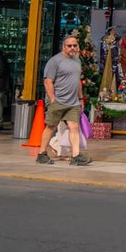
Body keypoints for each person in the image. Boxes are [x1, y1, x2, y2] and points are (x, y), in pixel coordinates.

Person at [37, 35, 91, 166]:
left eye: (75, 45)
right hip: (58, 101)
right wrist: (53, 99)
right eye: (69, 46)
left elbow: (77, 81)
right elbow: (48, 81)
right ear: (63, 46)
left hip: (73, 103)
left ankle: (76, 156)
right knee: (51, 127)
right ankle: (42, 154)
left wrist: (80, 98)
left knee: (74, 127)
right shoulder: (55, 61)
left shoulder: (77, 61)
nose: (73, 48)